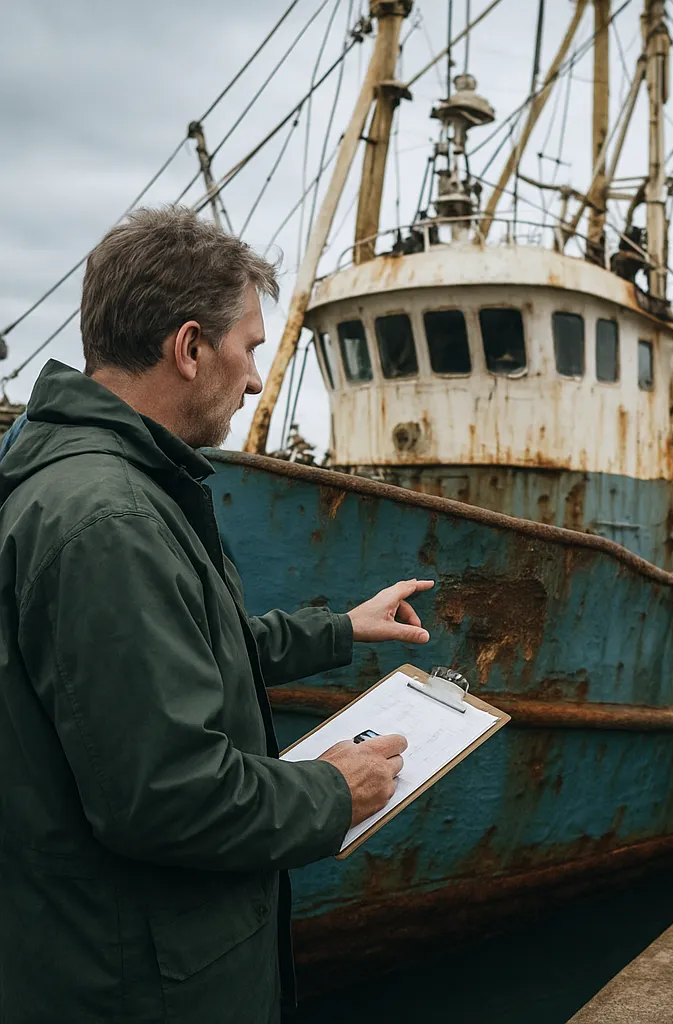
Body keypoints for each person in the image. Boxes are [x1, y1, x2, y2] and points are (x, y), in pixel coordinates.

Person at [0, 207, 434, 1023]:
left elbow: (174, 659)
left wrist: (340, 629)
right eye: (251, 348)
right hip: (139, 986)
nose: (257, 379)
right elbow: (165, 794)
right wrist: (332, 793)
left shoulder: (85, 479)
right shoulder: (112, 521)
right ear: (191, 348)